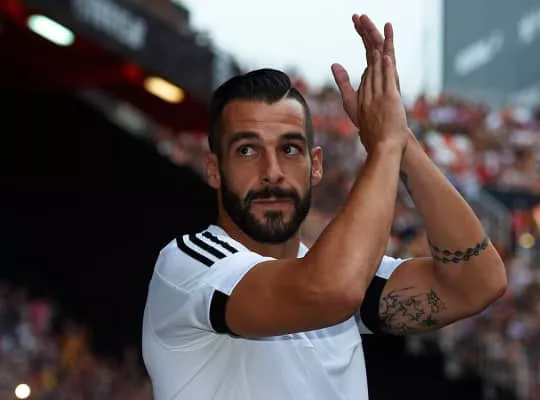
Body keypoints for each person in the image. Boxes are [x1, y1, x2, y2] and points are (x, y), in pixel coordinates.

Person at [141, 14, 507, 400]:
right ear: (214, 169)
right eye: (247, 150)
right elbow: (330, 289)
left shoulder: (333, 270)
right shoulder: (188, 267)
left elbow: (477, 283)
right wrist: (385, 146)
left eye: (289, 149)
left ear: (316, 165)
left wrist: (402, 141)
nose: (272, 172)